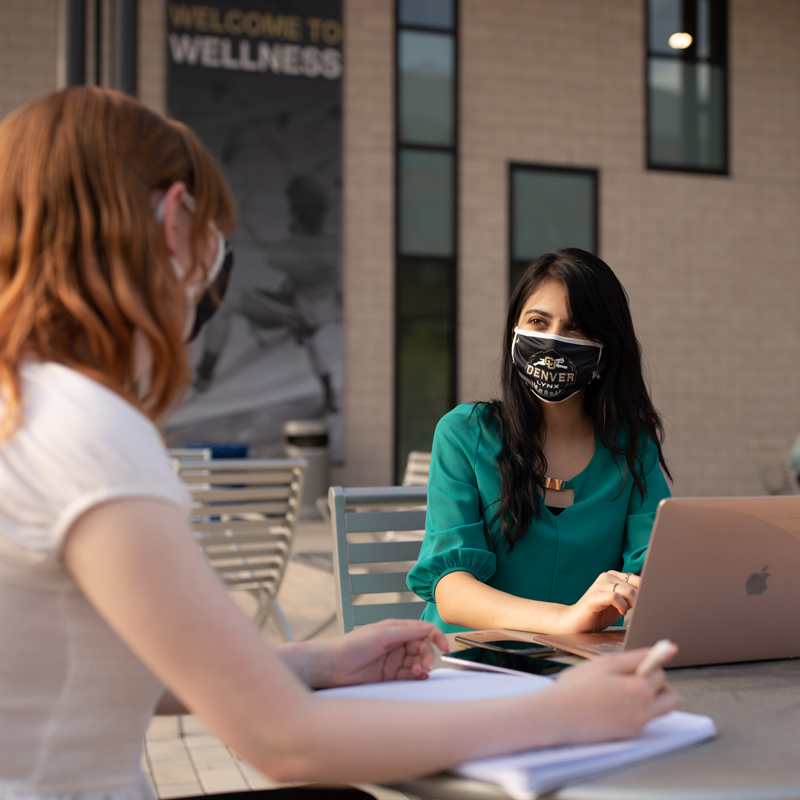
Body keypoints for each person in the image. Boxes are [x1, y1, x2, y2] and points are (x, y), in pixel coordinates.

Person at [0, 87, 680, 800]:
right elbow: (282, 739)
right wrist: (555, 714)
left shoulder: (32, 407)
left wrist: (318, 662)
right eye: (217, 240)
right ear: (176, 224)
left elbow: (129, 666)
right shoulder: (93, 432)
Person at [407, 249, 672, 634]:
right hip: (471, 665)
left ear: (604, 355)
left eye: (575, 328)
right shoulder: (464, 433)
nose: (552, 342)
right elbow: (452, 591)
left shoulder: (632, 447)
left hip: (577, 666)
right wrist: (565, 620)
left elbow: (654, 570)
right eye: (538, 321)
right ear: (515, 332)